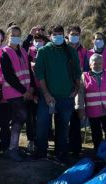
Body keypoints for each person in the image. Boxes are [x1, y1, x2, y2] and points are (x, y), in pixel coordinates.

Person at [34, 24, 82, 162]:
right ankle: (41, 152)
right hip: (47, 97)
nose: (58, 36)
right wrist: (47, 94)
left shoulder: (70, 51)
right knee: (42, 125)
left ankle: (60, 153)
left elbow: (77, 72)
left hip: (66, 97)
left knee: (62, 128)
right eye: (54, 34)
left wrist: (76, 89)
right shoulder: (43, 51)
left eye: (60, 33)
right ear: (50, 36)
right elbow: (40, 74)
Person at [0, 25, 35, 161]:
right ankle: (12, 149)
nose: (15, 37)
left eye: (17, 34)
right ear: (8, 37)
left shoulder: (23, 51)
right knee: (21, 116)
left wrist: (31, 87)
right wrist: (24, 91)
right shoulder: (5, 53)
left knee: (19, 119)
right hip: (13, 92)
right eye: (12, 35)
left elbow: (28, 70)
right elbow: (9, 76)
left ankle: (14, 147)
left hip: (24, 92)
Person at [76, 53, 106, 151]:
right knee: (96, 133)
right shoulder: (84, 76)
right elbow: (80, 93)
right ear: (90, 64)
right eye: (95, 63)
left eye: (100, 63)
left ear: (103, 64)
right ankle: (98, 152)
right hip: (93, 111)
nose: (97, 65)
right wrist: (80, 108)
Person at [67, 25, 86, 156]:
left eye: (76, 34)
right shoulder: (62, 49)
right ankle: (64, 146)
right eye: (72, 34)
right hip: (64, 87)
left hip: (78, 87)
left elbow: (86, 68)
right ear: (67, 35)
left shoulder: (84, 51)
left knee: (76, 117)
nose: (74, 36)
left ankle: (76, 148)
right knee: (63, 118)